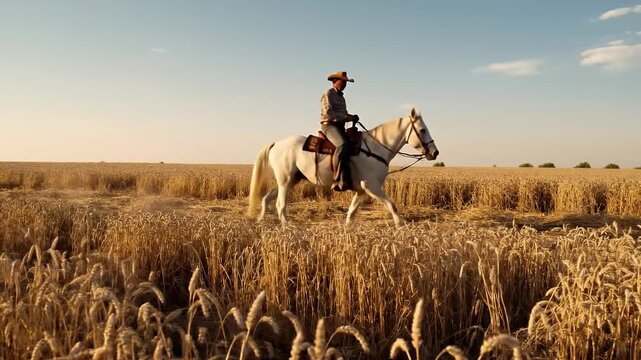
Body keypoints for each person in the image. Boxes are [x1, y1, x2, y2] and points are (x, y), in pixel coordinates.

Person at [320, 71, 359, 191]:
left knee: (354, 145)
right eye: (343, 82)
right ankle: (337, 180)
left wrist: (352, 116)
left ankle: (349, 177)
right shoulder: (328, 93)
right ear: (334, 81)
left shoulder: (342, 97)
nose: (345, 84)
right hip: (329, 125)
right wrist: (347, 117)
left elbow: (343, 114)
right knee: (343, 145)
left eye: (346, 82)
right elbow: (329, 114)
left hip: (340, 126)